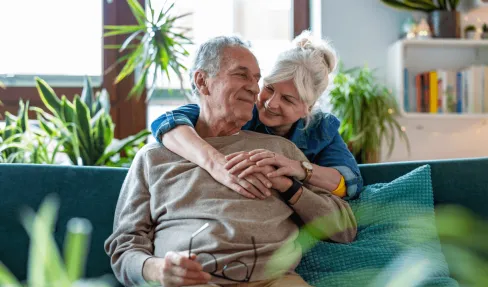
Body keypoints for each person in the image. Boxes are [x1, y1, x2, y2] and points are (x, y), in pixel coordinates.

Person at [105, 35, 357, 287]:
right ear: (202, 82)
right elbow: (124, 247)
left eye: (257, 79)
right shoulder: (154, 157)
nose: (256, 89)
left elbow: (345, 225)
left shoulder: (281, 151)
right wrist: (157, 269)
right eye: (242, 75)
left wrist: (291, 187)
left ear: (306, 109)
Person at [150, 30, 363, 202]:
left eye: (288, 99)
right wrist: (215, 163)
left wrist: (298, 168)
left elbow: (350, 183)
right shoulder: (244, 109)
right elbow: (168, 122)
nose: (271, 103)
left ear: (308, 107)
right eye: (269, 89)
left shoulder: (321, 129)